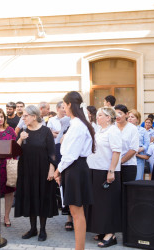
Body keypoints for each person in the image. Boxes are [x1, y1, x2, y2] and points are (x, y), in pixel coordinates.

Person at [54, 91, 95, 250]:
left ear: (70, 104)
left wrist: (58, 170)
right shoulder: (78, 123)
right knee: (76, 211)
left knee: (76, 212)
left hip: (74, 168)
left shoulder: (77, 124)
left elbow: (70, 155)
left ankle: (80, 248)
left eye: (64, 104)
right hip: (75, 168)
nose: (63, 108)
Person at [15, 105, 58, 241]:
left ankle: (43, 230)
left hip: (42, 170)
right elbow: (15, 151)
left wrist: (52, 169)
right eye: (23, 116)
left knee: (42, 198)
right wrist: (21, 138)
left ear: (34, 116)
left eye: (26, 115)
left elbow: (52, 152)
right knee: (30, 197)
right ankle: (33, 229)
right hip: (26, 170)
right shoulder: (23, 130)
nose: (23, 118)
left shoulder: (45, 131)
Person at [86, 107, 122, 248]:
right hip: (95, 169)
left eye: (101, 115)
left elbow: (116, 151)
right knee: (98, 204)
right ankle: (102, 230)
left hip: (107, 171)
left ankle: (111, 234)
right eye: (98, 115)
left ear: (108, 118)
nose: (98, 117)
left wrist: (111, 171)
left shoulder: (113, 131)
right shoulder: (100, 130)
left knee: (108, 203)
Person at [114, 104, 139, 185]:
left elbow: (133, 149)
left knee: (127, 192)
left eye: (120, 113)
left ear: (126, 114)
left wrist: (120, 161)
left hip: (128, 165)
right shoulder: (112, 128)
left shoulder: (133, 129)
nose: (117, 116)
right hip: (113, 166)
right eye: (115, 114)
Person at [128, 109, 150, 181]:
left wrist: (141, 149)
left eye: (132, 117)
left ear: (137, 119)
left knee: (138, 179)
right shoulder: (124, 130)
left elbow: (147, 143)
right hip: (126, 157)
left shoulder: (142, 130)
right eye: (129, 117)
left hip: (138, 157)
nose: (130, 118)